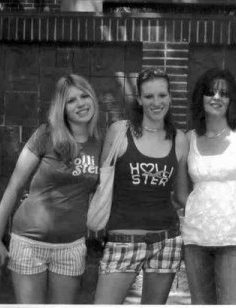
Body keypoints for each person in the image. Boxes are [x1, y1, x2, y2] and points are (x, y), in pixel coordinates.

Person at [0, 74, 102, 304]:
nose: (80, 103)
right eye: (71, 100)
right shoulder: (46, 134)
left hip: (71, 247)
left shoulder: (100, 143)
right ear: (62, 108)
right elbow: (14, 186)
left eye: (84, 95)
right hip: (29, 242)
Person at [94, 68, 189, 304]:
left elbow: (181, 195)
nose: (156, 102)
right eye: (149, 96)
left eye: (162, 95)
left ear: (170, 97)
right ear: (139, 99)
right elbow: (101, 183)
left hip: (166, 240)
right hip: (123, 239)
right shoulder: (120, 131)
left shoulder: (179, 139)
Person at [181, 68, 236, 305]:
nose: (217, 97)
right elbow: (181, 193)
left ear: (232, 100)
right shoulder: (188, 139)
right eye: (210, 92)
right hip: (196, 241)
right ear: (201, 97)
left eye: (224, 93)